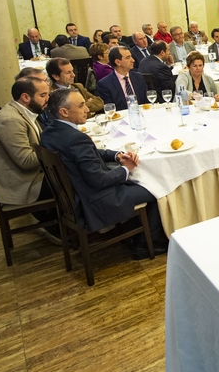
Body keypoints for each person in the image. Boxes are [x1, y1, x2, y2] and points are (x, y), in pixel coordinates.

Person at [41, 89, 167, 257]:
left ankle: (135, 234)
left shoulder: (50, 132)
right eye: (81, 105)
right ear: (64, 112)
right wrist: (125, 170)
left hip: (75, 198)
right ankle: (146, 244)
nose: (87, 109)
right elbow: (99, 180)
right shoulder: (75, 139)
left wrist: (116, 155)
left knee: (141, 181)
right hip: (96, 200)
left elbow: (91, 152)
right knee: (157, 188)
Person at [0, 76, 55, 239]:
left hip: (29, 174)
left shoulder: (24, 112)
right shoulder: (10, 120)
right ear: (25, 97)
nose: (48, 99)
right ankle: (56, 224)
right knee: (73, 177)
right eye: (43, 95)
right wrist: (58, 147)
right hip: (21, 182)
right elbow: (26, 161)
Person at [96, 47, 148, 112]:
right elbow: (109, 109)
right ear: (118, 62)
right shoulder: (105, 84)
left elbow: (146, 101)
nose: (133, 60)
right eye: (128, 58)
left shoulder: (138, 77)